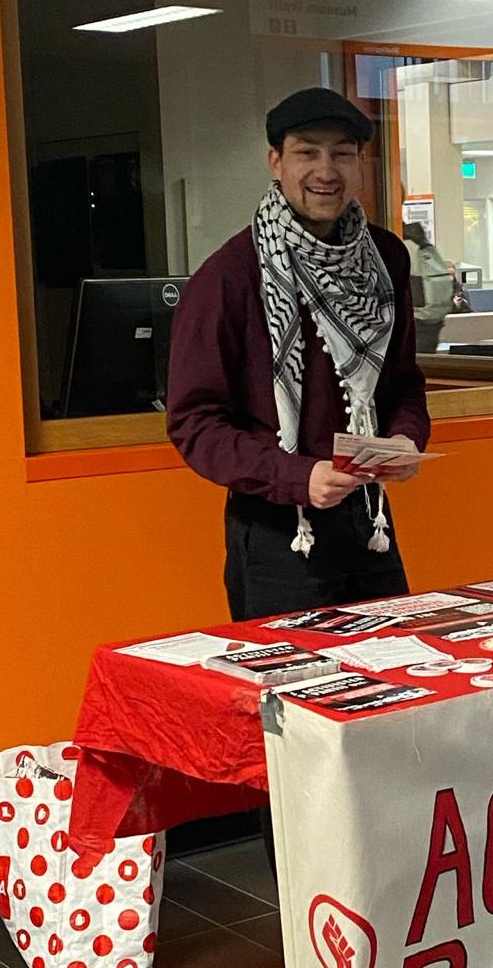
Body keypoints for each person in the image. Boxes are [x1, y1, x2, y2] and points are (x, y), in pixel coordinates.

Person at [167, 86, 430, 625]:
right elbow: (195, 423)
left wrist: (406, 437)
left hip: (369, 521)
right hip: (277, 532)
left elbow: (402, 380)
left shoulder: (386, 259)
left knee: (394, 667)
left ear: (360, 163)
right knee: (295, 677)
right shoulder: (230, 275)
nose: (326, 171)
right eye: (307, 152)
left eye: (342, 153)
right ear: (276, 162)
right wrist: (295, 476)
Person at [402, 217, 457, 353]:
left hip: (415, 319)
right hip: (434, 318)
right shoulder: (423, 245)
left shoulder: (401, 247)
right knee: (425, 359)